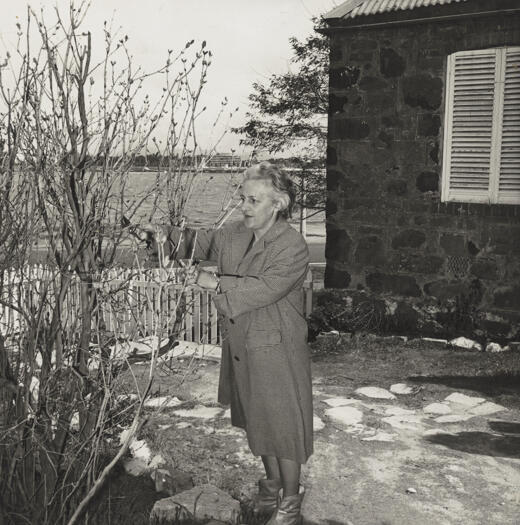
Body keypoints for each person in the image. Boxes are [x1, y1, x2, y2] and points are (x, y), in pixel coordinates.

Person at [148, 162, 313, 524]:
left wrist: (216, 283)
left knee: (283, 427)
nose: (244, 207)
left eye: (253, 200)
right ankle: (271, 489)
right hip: (242, 346)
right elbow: (198, 241)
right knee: (257, 421)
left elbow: (264, 289)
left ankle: (290, 504)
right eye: (243, 199)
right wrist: (164, 236)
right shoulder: (234, 234)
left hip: (277, 349)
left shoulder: (292, 245)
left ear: (279, 204)